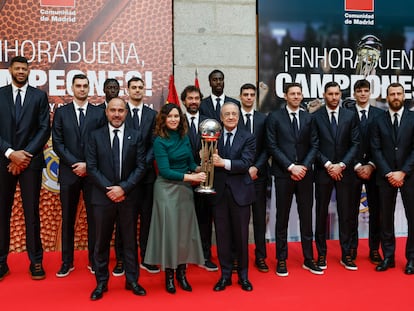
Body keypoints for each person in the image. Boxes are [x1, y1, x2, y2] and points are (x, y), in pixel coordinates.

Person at [86, 97, 147, 300]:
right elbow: (92, 167)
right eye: (113, 110)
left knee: (130, 242)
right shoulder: (94, 136)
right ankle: (101, 283)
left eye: (121, 110)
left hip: (128, 197)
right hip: (102, 198)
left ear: (126, 113)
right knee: (101, 243)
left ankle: (132, 281)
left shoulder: (135, 136)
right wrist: (109, 189)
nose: (117, 114)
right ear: (106, 112)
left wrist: (123, 188)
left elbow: (141, 167)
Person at [144, 103, 206, 294]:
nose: (173, 119)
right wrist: (192, 177)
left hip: (185, 190)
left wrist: (205, 165)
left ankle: (182, 273)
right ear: (163, 119)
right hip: (166, 190)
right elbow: (165, 171)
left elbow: (191, 163)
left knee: (183, 234)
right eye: (169, 116)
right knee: (170, 233)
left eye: (176, 116)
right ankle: (169, 276)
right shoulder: (159, 141)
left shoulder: (184, 137)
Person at [0, 55, 50, 281]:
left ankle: (36, 261)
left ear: (29, 71)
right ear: (10, 70)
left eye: (24, 68)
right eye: (17, 68)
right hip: (4, 161)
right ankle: (1, 262)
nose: (21, 71)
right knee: (2, 212)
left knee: (31, 212)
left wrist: (24, 155)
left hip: (30, 162)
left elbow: (43, 129)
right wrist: (11, 154)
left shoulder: (39, 96)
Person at [52, 74, 107, 277]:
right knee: (68, 218)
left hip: (92, 174)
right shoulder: (61, 112)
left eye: (85, 86)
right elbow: (57, 143)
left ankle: (94, 261)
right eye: (78, 86)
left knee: (95, 219)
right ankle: (67, 262)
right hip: (69, 173)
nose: (82, 89)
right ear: (72, 88)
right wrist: (75, 163)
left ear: (89, 88)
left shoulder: (98, 113)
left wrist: (87, 165)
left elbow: (102, 142)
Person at [266, 82, 322, 276]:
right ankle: (281, 259)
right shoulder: (274, 117)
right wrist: (291, 167)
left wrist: (303, 167)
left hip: (305, 175)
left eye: (299, 93)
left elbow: (315, 144)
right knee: (281, 217)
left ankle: (309, 258)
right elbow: (272, 145)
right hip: (284, 174)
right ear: (285, 96)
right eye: (293, 93)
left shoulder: (309, 117)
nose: (297, 96)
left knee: (306, 218)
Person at [313, 81, 359, 271]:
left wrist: (341, 165)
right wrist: (328, 165)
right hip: (323, 172)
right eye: (330, 94)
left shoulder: (350, 116)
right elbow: (313, 144)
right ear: (324, 95)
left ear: (340, 95)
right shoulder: (315, 117)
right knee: (321, 214)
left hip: (344, 173)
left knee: (346, 214)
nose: (334, 97)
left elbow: (355, 143)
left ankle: (346, 254)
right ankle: (321, 254)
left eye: (337, 94)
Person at [212, 102, 256, 292]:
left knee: (241, 236)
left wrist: (223, 163)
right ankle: (225, 276)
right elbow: (207, 160)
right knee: (222, 237)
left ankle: (243, 276)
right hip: (219, 193)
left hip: (240, 193)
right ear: (221, 118)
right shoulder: (213, 136)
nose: (230, 117)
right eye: (227, 114)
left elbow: (246, 163)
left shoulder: (248, 137)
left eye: (234, 114)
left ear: (239, 116)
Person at [371, 82, 414, 274]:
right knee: (385, 218)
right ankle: (388, 256)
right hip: (385, 176)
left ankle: (412, 258)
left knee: (412, 218)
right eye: (392, 94)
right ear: (386, 97)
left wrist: (403, 172)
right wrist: (389, 172)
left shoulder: (413, 118)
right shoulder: (378, 120)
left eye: (398, 93)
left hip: (409, 176)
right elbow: (375, 149)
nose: (395, 96)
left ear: (404, 96)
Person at [123, 76, 158, 274]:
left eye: (140, 87)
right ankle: (123, 259)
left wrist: (142, 165)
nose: (137, 90)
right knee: (125, 219)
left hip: (146, 176)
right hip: (125, 177)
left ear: (144, 90)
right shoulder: (120, 113)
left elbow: (154, 143)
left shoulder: (152, 115)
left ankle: (146, 256)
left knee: (147, 218)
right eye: (134, 87)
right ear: (128, 90)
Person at [182, 85, 218, 272]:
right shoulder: (176, 121)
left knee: (204, 220)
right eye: (190, 98)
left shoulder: (210, 122)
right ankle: (184, 256)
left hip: (206, 179)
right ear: (184, 101)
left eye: (197, 98)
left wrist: (203, 172)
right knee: (184, 220)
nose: (194, 101)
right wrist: (191, 173)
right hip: (184, 179)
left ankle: (205, 256)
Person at [346, 79, 383, 264]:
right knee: (350, 211)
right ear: (354, 94)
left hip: (374, 170)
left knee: (376, 212)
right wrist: (356, 166)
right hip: (352, 170)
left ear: (370, 93)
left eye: (365, 90)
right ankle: (351, 248)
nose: (362, 93)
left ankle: (374, 249)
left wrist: (371, 164)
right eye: (359, 90)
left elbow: (385, 144)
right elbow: (343, 144)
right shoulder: (346, 114)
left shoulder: (380, 114)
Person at [238, 83, 269, 273]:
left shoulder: (262, 119)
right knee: (239, 220)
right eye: (245, 94)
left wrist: (256, 167)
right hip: (238, 177)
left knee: (259, 218)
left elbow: (268, 147)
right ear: (240, 96)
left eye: (252, 95)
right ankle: (237, 257)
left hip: (258, 176)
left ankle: (261, 257)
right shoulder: (233, 117)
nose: (249, 97)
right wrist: (243, 169)